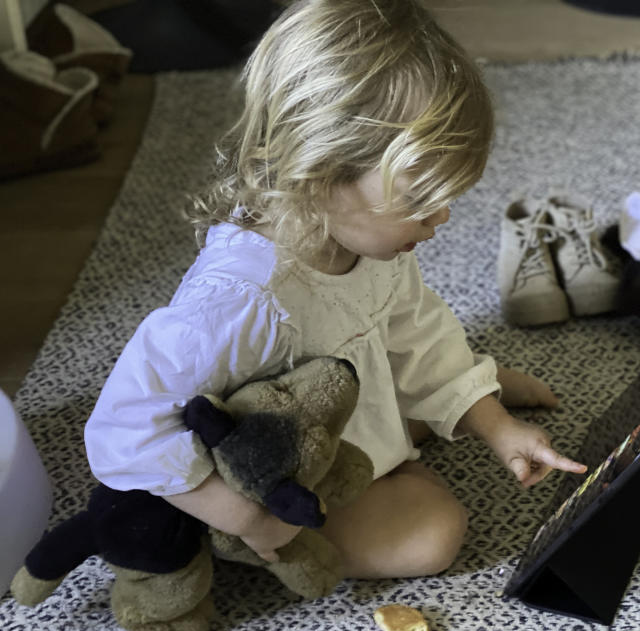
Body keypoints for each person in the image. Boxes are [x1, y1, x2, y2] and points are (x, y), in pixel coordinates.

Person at [84, 0, 586, 583]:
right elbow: (122, 428)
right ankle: (285, 527)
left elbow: (416, 328)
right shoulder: (239, 300)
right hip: (277, 473)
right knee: (432, 533)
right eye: (420, 200)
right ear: (320, 173)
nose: (442, 217)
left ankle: (463, 401)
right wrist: (246, 517)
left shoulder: (367, 241)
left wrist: (495, 424)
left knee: (435, 372)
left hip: (335, 405)